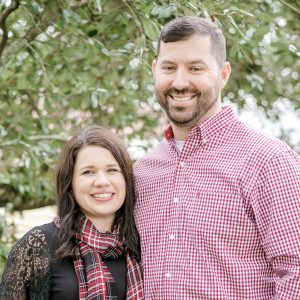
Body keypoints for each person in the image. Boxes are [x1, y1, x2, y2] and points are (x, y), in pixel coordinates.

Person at [134, 16, 300, 299]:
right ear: (154, 71)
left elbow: (294, 272)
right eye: (169, 67)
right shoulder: (142, 172)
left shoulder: (268, 161)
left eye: (195, 68)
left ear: (223, 74)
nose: (180, 81)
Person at [0, 125, 143, 299]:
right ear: (70, 184)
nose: (101, 181)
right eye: (88, 172)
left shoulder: (141, 245)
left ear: (126, 179)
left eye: (112, 170)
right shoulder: (37, 246)